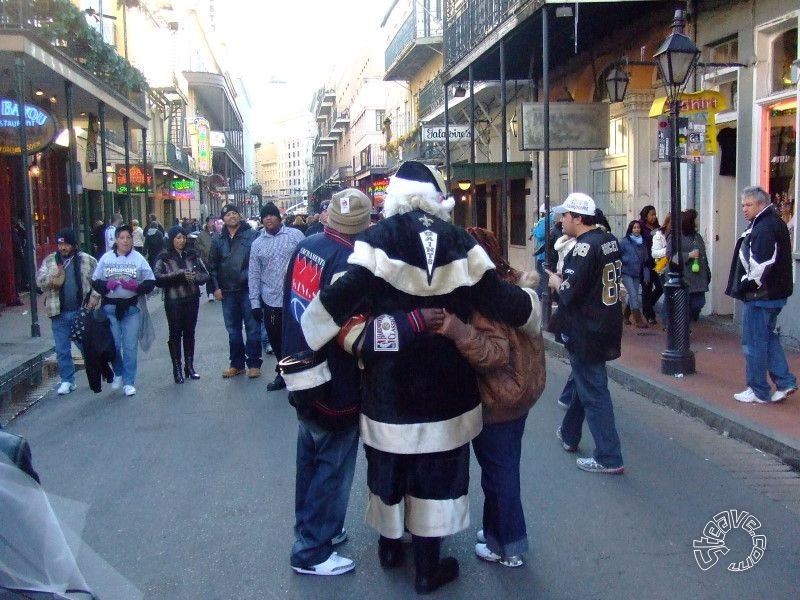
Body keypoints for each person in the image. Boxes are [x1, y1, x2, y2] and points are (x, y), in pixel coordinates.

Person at [300, 161, 539, 594]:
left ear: (393, 197)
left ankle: (391, 548)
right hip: (447, 391)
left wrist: (311, 331)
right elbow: (498, 298)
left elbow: (336, 300)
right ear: (438, 198)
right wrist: (533, 307)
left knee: (388, 467)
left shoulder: (377, 239)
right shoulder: (459, 240)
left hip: (389, 389)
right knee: (439, 473)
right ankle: (428, 568)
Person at [433, 227, 545, 569]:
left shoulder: (486, 299)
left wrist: (458, 331)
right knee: (502, 469)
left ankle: (508, 545)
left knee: (500, 473)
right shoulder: (509, 282)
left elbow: (494, 353)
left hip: (499, 398)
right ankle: (496, 532)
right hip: (520, 392)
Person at [281, 188, 373, 576]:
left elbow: (291, 299)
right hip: (332, 376)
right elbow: (352, 327)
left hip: (299, 366)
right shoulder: (349, 260)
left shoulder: (308, 245)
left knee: (310, 457)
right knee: (332, 465)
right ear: (366, 223)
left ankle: (315, 530)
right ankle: (312, 551)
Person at [546, 192, 625, 474]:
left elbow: (569, 291)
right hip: (605, 323)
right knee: (585, 382)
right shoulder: (608, 241)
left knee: (594, 390)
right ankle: (569, 434)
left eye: (565, 216)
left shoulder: (583, 247)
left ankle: (609, 456)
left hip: (586, 327)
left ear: (578, 218)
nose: (561, 220)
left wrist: (556, 280)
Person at [726, 186, 797, 404]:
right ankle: (785, 382)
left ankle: (758, 389)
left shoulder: (764, 227)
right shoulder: (773, 223)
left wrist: (744, 285)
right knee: (768, 339)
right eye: (743, 205)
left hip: (761, 297)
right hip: (771, 295)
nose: (744, 209)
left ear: (760, 204)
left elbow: (761, 265)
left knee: (754, 343)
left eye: (748, 205)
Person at [92, 225, 156, 396]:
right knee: (113, 344)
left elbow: (150, 282)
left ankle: (129, 381)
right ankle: (118, 371)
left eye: (128, 237)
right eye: (122, 238)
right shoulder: (106, 258)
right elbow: (95, 281)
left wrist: (137, 287)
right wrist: (106, 286)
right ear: (116, 239)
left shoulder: (138, 259)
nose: (125, 241)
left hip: (131, 308)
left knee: (129, 347)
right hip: (110, 308)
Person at [35, 229, 101, 395]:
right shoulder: (50, 261)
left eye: (66, 244)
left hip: (82, 312)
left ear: (74, 245)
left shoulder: (87, 260)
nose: (62, 247)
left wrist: (95, 297)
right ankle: (67, 380)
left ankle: (94, 375)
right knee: (62, 349)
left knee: (86, 346)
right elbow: (40, 282)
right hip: (58, 312)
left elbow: (100, 281)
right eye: (60, 244)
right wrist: (53, 275)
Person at [248, 202, 305, 389]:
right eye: (265, 216)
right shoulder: (257, 244)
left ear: (279, 218)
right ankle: (282, 373)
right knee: (276, 339)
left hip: (295, 296)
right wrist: (255, 302)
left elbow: (306, 260)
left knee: (297, 337)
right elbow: (254, 273)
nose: (268, 219)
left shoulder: (295, 236)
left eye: (271, 215)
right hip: (270, 299)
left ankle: (300, 372)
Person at [208, 203, 261, 378]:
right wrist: (215, 287)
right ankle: (236, 364)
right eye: (228, 214)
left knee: (253, 327)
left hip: (247, 289)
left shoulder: (252, 235)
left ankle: (254, 362)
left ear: (239, 216)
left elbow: (258, 263)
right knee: (233, 329)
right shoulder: (218, 239)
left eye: (234, 213)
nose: (232, 216)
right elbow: (213, 266)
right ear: (223, 218)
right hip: (227, 291)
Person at [154, 225, 209, 383]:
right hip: (174, 300)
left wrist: (195, 277)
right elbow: (157, 278)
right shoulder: (164, 257)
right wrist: (178, 274)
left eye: (183, 237)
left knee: (190, 332)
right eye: (178, 237)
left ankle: (189, 366)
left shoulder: (192, 255)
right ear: (172, 239)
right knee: (175, 333)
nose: (181, 240)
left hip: (191, 298)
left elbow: (205, 274)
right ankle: (177, 367)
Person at [669, 209, 710, 322]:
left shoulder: (697, 237)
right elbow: (671, 257)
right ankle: (681, 324)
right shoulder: (676, 237)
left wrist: (707, 272)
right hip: (686, 276)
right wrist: (688, 255)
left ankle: (688, 321)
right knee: (686, 305)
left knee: (699, 303)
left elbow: (703, 256)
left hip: (699, 276)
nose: (697, 222)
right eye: (695, 219)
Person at [619, 220, 649, 328]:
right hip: (626, 272)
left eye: (638, 228)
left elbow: (646, 260)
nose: (637, 229)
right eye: (634, 228)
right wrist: (624, 262)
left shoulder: (643, 242)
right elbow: (618, 256)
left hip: (637, 272)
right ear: (631, 229)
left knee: (634, 294)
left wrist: (646, 275)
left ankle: (625, 315)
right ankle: (638, 319)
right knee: (633, 294)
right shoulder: (624, 241)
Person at [638, 205, 661, 325]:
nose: (654, 217)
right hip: (645, 262)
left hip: (657, 261)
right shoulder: (640, 226)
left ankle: (647, 305)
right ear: (645, 215)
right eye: (651, 214)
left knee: (660, 286)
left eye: (655, 214)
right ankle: (649, 314)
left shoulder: (657, 227)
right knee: (647, 287)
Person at [194, 218, 217, 302]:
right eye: (211, 222)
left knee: (216, 275)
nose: (212, 224)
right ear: (207, 224)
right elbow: (196, 245)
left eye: (213, 222)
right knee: (209, 275)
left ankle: (217, 290)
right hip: (206, 259)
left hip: (216, 259)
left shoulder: (217, 234)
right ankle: (210, 293)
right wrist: (203, 250)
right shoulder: (202, 235)